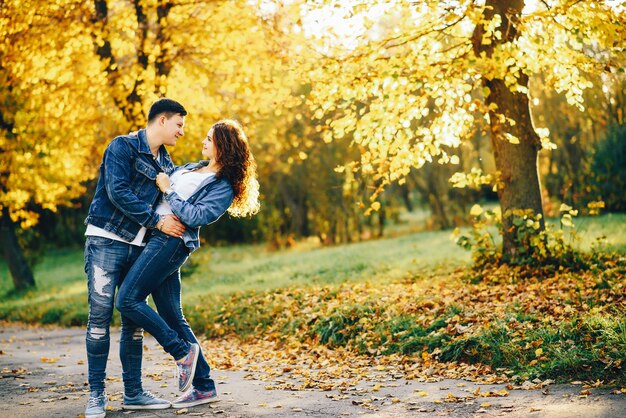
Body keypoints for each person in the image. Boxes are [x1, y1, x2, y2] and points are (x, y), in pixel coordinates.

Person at [116, 119, 260, 409]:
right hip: (154, 235)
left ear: (223, 145)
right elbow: (159, 182)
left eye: (209, 138)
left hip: (170, 244)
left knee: (127, 299)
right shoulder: (192, 167)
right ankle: (204, 387)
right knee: (172, 315)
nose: (203, 142)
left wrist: (169, 191)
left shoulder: (223, 187)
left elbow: (194, 216)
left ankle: (181, 352)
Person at [83, 98, 189, 418]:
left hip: (140, 247)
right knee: (100, 319)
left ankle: (133, 393)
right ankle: (96, 395)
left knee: (133, 323)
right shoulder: (122, 147)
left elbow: (172, 205)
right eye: (179, 124)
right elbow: (118, 192)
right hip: (106, 240)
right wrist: (157, 222)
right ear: (161, 120)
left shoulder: (168, 166)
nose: (182, 132)